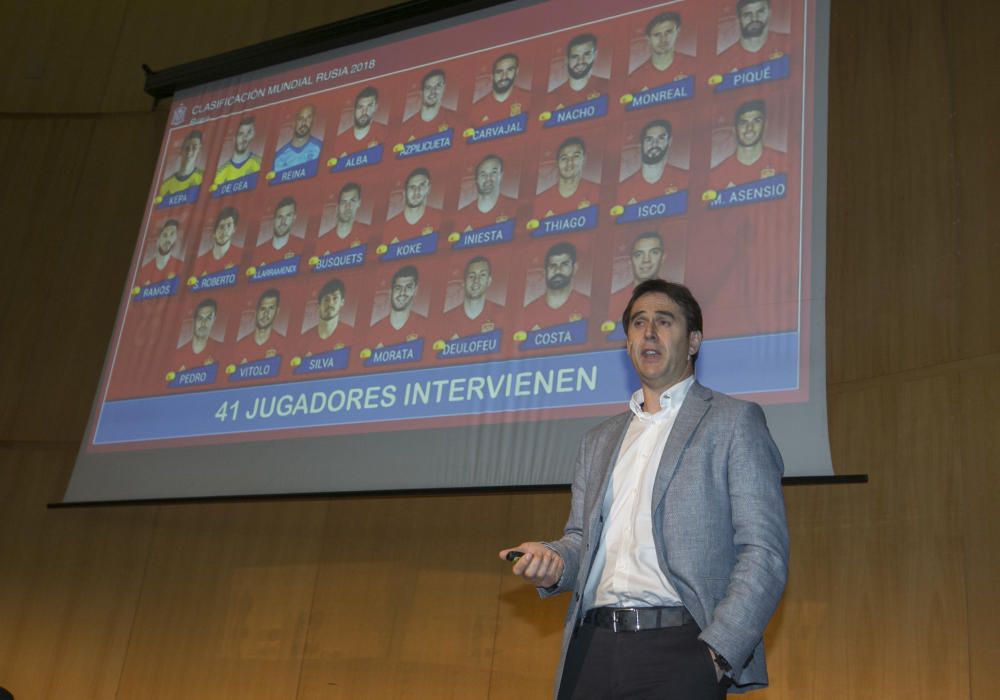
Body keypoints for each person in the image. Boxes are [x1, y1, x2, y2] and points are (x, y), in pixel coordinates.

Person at [501, 279, 789, 698]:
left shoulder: (733, 422)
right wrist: (554, 562)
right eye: (638, 323)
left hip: (680, 648)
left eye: (663, 321)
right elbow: (582, 541)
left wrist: (718, 653)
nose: (648, 333)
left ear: (693, 342)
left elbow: (764, 552)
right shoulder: (598, 440)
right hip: (590, 648)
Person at [712, 99, 789, 189]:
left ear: (765, 125)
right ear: (734, 129)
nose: (749, 128)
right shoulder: (716, 175)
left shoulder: (784, 163)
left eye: (756, 121)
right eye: (743, 122)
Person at [525, 241, 590, 328]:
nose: (558, 270)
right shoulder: (528, 312)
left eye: (564, 264)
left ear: (575, 268)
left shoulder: (588, 306)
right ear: (545, 272)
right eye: (552, 266)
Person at [621, 119, 688, 202]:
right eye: (649, 139)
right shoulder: (623, 189)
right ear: (642, 144)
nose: (654, 144)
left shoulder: (685, 179)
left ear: (669, 141)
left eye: (660, 138)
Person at [628, 11, 697, 90]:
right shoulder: (634, 79)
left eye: (668, 32)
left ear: (677, 32)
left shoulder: (695, 65)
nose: (663, 39)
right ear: (648, 38)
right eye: (657, 35)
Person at [535, 137, 600, 217]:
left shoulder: (598, 193)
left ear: (584, 159)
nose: (569, 162)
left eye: (576, 156)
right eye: (564, 158)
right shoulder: (540, 202)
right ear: (557, 163)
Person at [717, 0, 790, 71]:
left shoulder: (788, 43)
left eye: (760, 12)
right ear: (738, 19)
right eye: (747, 14)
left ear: (769, 13)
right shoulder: (722, 61)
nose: (754, 18)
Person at [443, 256, 503, 338]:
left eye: (482, 275)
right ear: (463, 282)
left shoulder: (502, 314)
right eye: (471, 276)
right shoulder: (446, 319)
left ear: (489, 281)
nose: (476, 280)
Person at [549, 33, 608, 107]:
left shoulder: (607, 86)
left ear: (595, 55)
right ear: (567, 59)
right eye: (575, 56)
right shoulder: (551, 98)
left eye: (586, 54)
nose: (580, 61)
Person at [372, 265, 423, 346]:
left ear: (415, 290)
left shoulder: (424, 325)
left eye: (408, 287)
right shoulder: (374, 331)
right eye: (398, 288)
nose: (402, 293)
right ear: (390, 292)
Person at [473, 53, 531, 124]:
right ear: (492, 76)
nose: (504, 76)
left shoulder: (529, 99)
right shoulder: (477, 108)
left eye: (509, 70)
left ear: (516, 72)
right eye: (499, 72)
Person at [461, 154, 514, 229]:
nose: (488, 178)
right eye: (483, 174)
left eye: (494, 172)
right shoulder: (462, 216)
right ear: (476, 180)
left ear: (501, 176)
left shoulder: (515, 208)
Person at [299, 278, 351, 356]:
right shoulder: (303, 340)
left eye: (335, 298)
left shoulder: (350, 334)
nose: (330, 303)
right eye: (326, 299)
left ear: (342, 302)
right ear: (319, 305)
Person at [235, 288, 284, 362]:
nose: (266, 314)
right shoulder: (240, 346)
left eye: (271, 308)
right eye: (263, 309)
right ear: (256, 312)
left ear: (277, 312)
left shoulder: (282, 344)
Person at [173, 298, 222, 371]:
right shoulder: (178, 355)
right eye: (200, 318)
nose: (203, 323)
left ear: (214, 320)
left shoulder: (220, 350)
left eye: (208, 318)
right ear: (194, 320)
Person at [273, 104, 322, 173]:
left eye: (308, 118)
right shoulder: (278, 157)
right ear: (293, 122)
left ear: (313, 120)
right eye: (300, 118)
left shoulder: (321, 148)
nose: (304, 122)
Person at [213, 116, 261, 187]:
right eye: (240, 134)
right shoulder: (219, 173)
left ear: (252, 135)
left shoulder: (260, 164)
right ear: (234, 138)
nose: (244, 138)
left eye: (248, 133)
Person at [195, 206, 242, 275]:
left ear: (234, 229)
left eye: (229, 225)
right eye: (221, 227)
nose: (225, 231)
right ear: (214, 232)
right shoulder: (199, 262)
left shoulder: (241, 255)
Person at [393, 167, 440, 234]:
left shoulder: (440, 218)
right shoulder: (389, 227)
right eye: (412, 187)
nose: (417, 191)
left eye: (421, 185)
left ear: (428, 189)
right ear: (404, 192)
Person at [254, 196, 299, 266]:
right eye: (280, 217)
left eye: (288, 215)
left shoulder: (301, 246)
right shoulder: (258, 252)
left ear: (294, 217)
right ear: (274, 219)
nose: (283, 221)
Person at [158, 130, 203, 197]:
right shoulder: (165, 185)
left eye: (194, 147)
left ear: (199, 148)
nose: (190, 151)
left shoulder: (204, 178)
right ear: (180, 151)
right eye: (187, 148)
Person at [140, 219, 183, 283]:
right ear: (158, 238)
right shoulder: (144, 270)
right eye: (165, 235)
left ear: (175, 237)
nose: (168, 239)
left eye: (172, 234)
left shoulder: (181, 266)